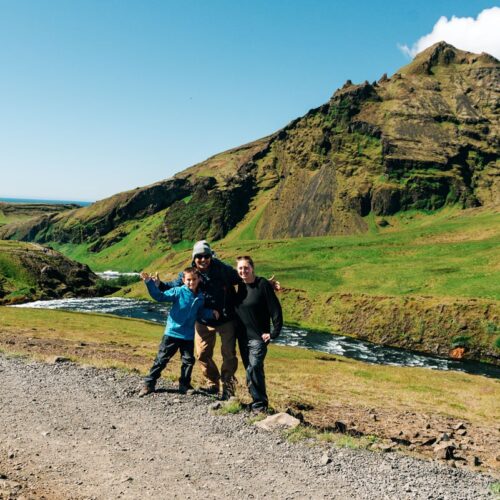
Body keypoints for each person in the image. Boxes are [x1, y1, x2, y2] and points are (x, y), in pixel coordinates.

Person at [156, 241, 242, 399]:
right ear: (194, 258)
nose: (203, 259)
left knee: (229, 354)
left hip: (226, 318)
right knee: (202, 354)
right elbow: (174, 286)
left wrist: (264, 284)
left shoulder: (222, 269)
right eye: (199, 256)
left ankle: (228, 387)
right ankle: (212, 384)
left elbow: (242, 278)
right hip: (202, 320)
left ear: (211, 256)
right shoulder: (190, 273)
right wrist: (159, 285)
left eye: (206, 256)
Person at [138, 267, 218, 397]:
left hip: (188, 336)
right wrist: (149, 283)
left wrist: (211, 313)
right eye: (188, 280)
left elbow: (200, 313)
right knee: (161, 360)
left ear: (199, 280)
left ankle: (184, 385)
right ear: (183, 280)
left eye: (194, 279)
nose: (191, 282)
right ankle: (149, 383)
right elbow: (159, 296)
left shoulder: (200, 297)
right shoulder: (177, 291)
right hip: (172, 333)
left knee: (188, 361)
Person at [234, 256, 283, 413]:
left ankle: (260, 405)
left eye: (246, 267)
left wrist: (274, 332)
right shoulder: (237, 286)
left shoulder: (262, 285)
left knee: (254, 367)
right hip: (242, 337)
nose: (243, 271)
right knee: (251, 369)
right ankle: (257, 402)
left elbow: (275, 309)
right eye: (240, 268)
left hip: (258, 338)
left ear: (252, 268)